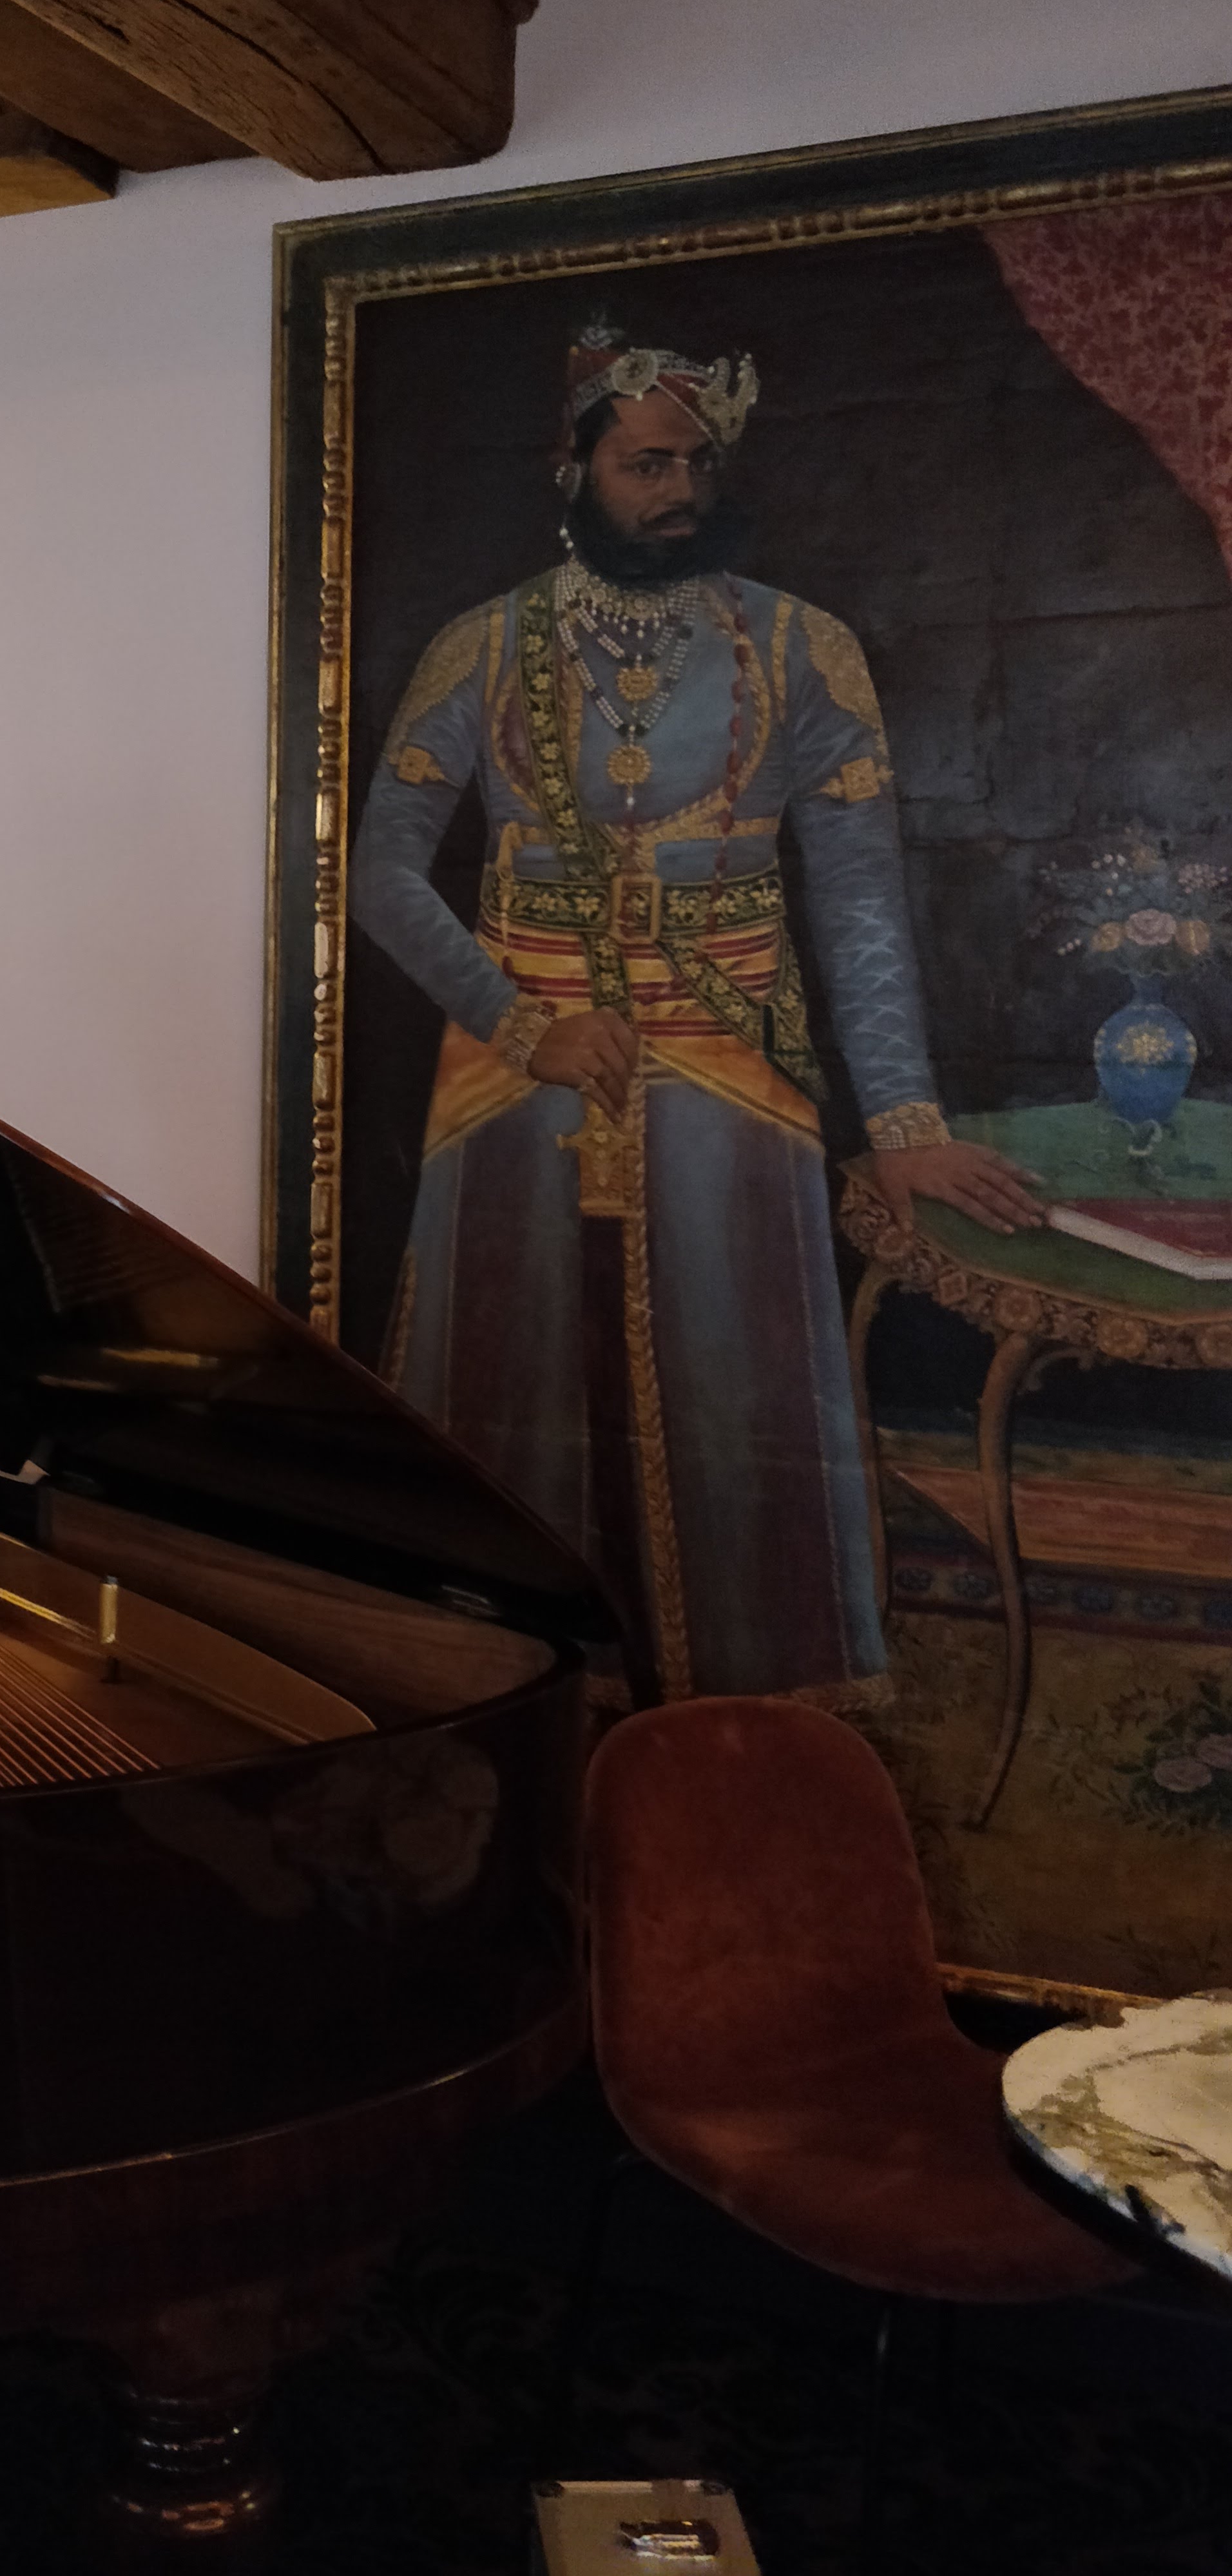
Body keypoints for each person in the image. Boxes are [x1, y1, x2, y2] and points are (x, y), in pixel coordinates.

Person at [348, 323, 1041, 1704]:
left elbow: (858, 897)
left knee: (740, 1378)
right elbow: (380, 875)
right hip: (520, 1059)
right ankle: (516, 1688)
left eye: (697, 465)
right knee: (513, 1366)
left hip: (733, 1050)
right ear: (574, 469)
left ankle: (748, 1703)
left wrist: (904, 1123)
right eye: (646, 464)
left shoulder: (802, 647)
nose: (678, 490)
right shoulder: (482, 647)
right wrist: (520, 1022)